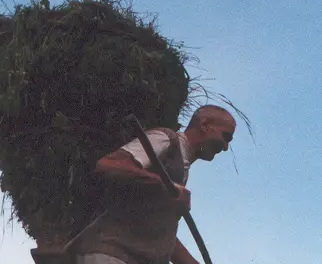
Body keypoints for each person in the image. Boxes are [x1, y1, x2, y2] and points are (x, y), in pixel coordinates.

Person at [69, 105, 237, 264]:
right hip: (110, 253)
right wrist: (168, 186)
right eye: (225, 137)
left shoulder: (181, 170)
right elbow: (108, 164)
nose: (225, 147)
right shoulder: (165, 139)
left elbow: (161, 234)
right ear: (205, 125)